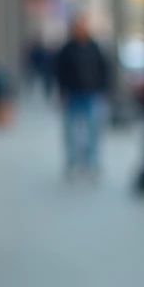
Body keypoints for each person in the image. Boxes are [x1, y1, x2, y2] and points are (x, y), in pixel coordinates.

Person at [54, 13, 110, 178]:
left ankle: (92, 164)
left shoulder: (95, 48)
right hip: (73, 95)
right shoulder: (67, 49)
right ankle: (72, 163)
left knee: (93, 131)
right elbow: (60, 72)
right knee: (72, 132)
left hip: (92, 95)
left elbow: (104, 70)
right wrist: (62, 91)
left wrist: (103, 90)